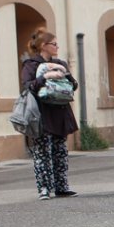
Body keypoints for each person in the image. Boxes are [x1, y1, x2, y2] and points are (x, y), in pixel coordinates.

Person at [21, 29, 79, 201]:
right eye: (54, 44)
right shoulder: (30, 64)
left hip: (60, 113)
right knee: (42, 153)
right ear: (43, 46)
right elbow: (28, 86)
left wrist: (65, 75)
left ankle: (62, 186)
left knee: (60, 151)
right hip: (42, 114)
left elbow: (73, 86)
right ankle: (44, 188)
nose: (57, 47)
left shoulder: (60, 63)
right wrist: (45, 76)